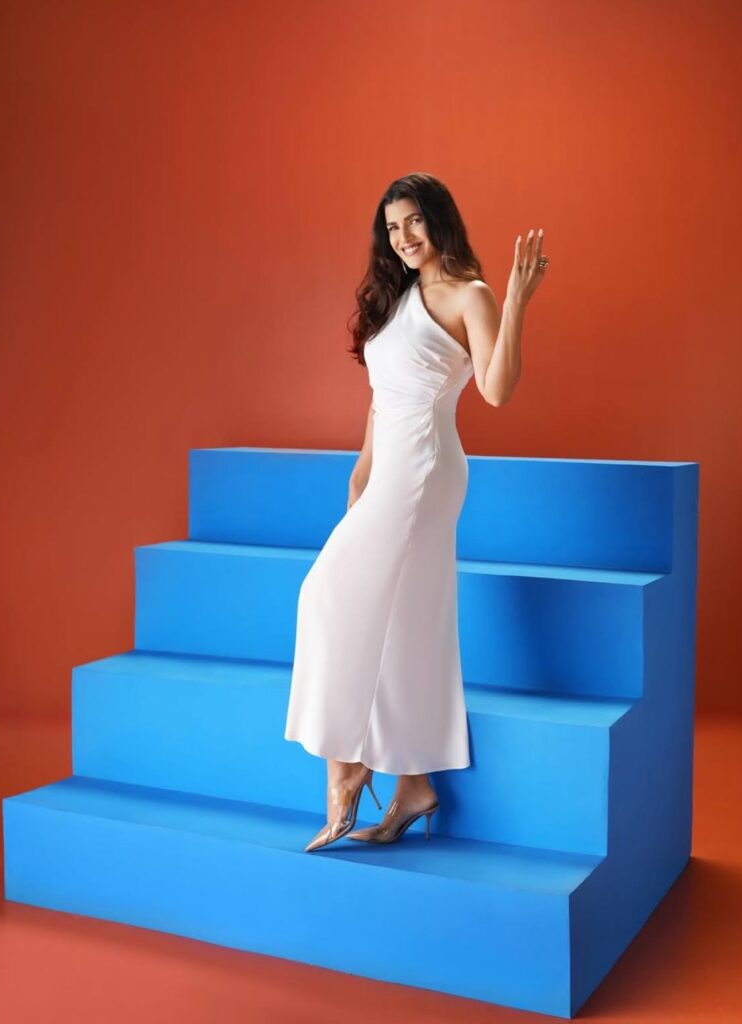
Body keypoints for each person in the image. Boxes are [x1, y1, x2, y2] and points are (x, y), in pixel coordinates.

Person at [284, 172, 549, 851]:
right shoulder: (398, 297)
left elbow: (495, 390)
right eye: (391, 227)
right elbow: (380, 399)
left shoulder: (471, 294)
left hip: (429, 470)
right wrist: (358, 477)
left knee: (322, 596)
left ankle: (346, 767)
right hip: (388, 470)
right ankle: (414, 785)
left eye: (413, 223)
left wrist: (515, 301)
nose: (402, 238)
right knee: (400, 622)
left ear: (438, 221)